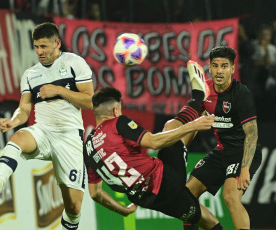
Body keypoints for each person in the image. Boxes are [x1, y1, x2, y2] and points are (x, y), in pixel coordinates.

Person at [0, 22, 94, 230]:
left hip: (69, 136)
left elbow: (90, 101)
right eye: (36, 46)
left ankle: (70, 224)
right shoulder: (31, 74)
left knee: (74, 206)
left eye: (44, 46)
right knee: (17, 138)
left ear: (57, 43)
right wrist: (13, 120)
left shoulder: (75, 63)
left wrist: (60, 90)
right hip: (43, 131)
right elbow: (24, 109)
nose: (39, 51)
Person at [84, 83, 225, 228]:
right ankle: (199, 95)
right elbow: (154, 142)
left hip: (147, 200)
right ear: (114, 110)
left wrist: (124, 210)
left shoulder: (88, 147)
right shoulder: (117, 123)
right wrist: (194, 126)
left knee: (205, 220)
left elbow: (95, 193)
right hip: (166, 180)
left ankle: (200, 106)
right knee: (170, 127)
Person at [164, 46, 262, 230]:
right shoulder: (204, 91)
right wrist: (181, 150)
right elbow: (193, 123)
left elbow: (252, 133)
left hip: (243, 152)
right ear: (209, 67)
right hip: (221, 151)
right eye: (215, 65)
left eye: (224, 66)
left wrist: (246, 168)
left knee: (231, 197)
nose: (219, 71)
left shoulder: (242, 94)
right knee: (186, 195)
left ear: (232, 69)